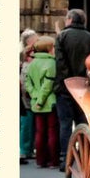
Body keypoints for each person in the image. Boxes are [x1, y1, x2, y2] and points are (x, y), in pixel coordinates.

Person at [54, 8, 90, 170]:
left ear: (69, 20)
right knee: (83, 121)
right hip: (85, 86)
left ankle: (65, 158)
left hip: (65, 86)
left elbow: (60, 63)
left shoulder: (62, 37)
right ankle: (85, 156)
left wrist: (67, 80)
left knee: (65, 123)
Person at [25, 36, 59, 169]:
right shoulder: (51, 63)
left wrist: (35, 98)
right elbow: (48, 85)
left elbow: (28, 83)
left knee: (40, 132)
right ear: (49, 48)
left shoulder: (32, 63)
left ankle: (40, 160)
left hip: (35, 103)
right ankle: (53, 160)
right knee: (52, 132)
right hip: (49, 102)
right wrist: (41, 100)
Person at [19, 29, 37, 164]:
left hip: (30, 90)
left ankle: (29, 148)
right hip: (26, 91)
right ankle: (25, 149)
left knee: (31, 121)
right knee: (26, 121)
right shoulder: (24, 54)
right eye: (35, 37)